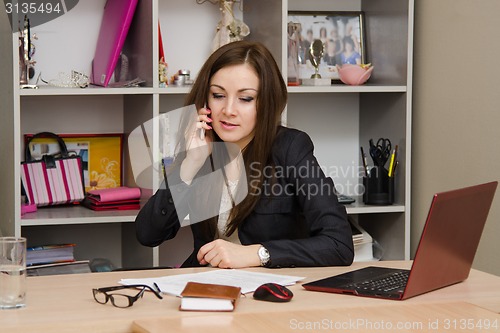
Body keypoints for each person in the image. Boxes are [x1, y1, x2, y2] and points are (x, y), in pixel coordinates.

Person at [135, 40, 354, 269]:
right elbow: (148, 234)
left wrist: (258, 254)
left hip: (269, 291)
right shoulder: (200, 145)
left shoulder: (290, 148)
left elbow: (339, 244)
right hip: (208, 287)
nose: (228, 110)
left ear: (266, 101)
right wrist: (190, 163)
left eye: (245, 98)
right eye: (218, 95)